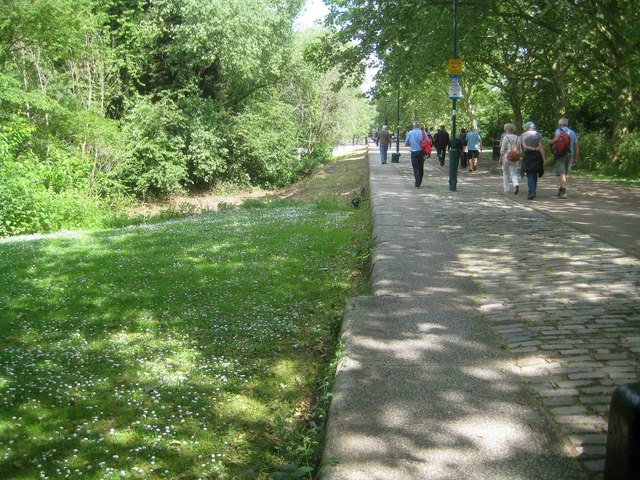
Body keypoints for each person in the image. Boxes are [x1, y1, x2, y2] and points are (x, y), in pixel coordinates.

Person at [550, 117, 579, 199]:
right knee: (566, 172)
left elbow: (555, 139)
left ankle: (564, 191)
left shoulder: (558, 131)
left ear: (560, 124)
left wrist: (550, 142)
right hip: (570, 154)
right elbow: (576, 147)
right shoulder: (572, 132)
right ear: (567, 124)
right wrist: (576, 158)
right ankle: (561, 188)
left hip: (561, 154)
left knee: (562, 173)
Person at [520, 121, 547, 200]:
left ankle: (532, 192)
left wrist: (532, 149)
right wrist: (544, 159)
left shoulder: (523, 135)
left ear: (527, 127)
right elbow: (541, 147)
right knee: (534, 173)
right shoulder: (538, 135)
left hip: (528, 156)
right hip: (537, 156)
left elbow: (524, 147)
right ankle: (533, 191)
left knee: (530, 174)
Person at [499, 123, 520, 195]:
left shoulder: (506, 137)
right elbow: (520, 150)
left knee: (505, 173)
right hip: (515, 157)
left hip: (506, 157)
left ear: (506, 130)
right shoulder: (518, 137)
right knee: (514, 173)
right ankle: (516, 184)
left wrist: (500, 159)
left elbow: (502, 150)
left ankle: (506, 189)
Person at [405, 121, 426, 188]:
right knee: (421, 167)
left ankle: (417, 183)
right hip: (422, 152)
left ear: (413, 126)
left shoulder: (410, 133)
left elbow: (406, 143)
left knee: (416, 168)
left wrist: (412, 144)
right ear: (419, 126)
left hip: (414, 153)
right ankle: (419, 181)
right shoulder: (423, 133)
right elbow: (428, 142)